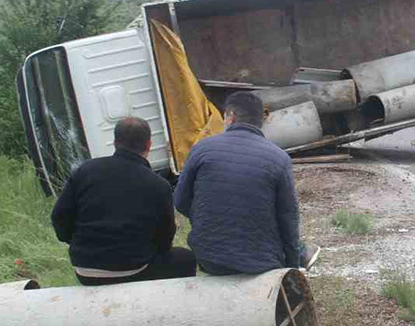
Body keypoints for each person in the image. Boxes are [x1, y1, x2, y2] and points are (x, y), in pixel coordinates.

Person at [174, 91, 319, 276]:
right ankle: (303, 253)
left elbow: (180, 201)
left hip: (209, 258)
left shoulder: (201, 148)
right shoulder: (279, 158)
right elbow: (288, 219)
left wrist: (207, 218)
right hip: (261, 262)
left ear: (231, 117)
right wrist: (290, 267)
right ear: (261, 121)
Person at [51, 116, 196, 285]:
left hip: (86, 270)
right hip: (135, 269)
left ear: (115, 143)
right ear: (149, 145)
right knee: (186, 258)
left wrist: (76, 242)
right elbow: (165, 238)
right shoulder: (159, 185)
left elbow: (59, 217)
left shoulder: (86, 170)